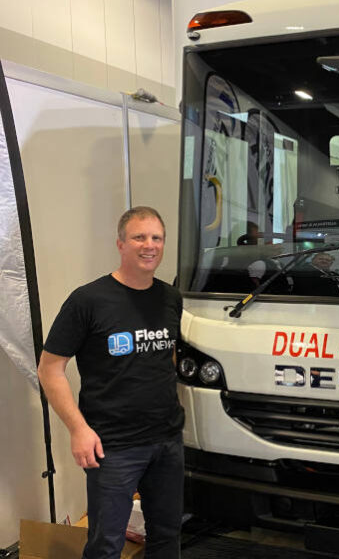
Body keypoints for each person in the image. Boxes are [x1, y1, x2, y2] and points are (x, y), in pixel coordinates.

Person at [37, 206, 184, 559]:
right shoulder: (88, 300)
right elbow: (49, 369)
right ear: (120, 243)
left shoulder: (170, 298)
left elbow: (167, 358)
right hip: (113, 446)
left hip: (166, 441)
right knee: (105, 545)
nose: (149, 245)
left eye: (156, 238)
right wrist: (78, 429)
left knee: (167, 536)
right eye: (139, 237)